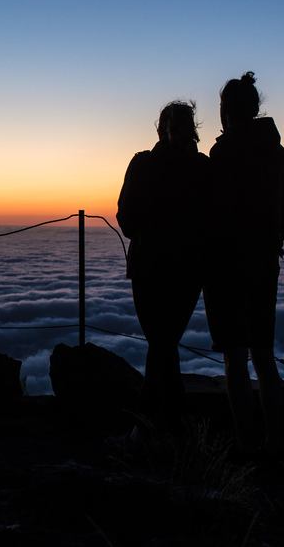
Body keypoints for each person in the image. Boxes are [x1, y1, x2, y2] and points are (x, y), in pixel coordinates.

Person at [205, 72, 284, 455]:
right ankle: (276, 443)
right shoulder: (279, 155)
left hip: (226, 268)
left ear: (227, 110)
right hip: (263, 266)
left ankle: (246, 446)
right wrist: (269, 242)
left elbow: (210, 212)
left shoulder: (223, 154)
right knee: (263, 356)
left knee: (235, 360)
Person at [117, 101, 209, 433]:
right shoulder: (203, 168)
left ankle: (150, 424)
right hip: (188, 269)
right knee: (164, 343)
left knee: (161, 342)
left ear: (160, 129)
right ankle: (170, 423)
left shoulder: (143, 164)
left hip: (149, 267)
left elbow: (126, 221)